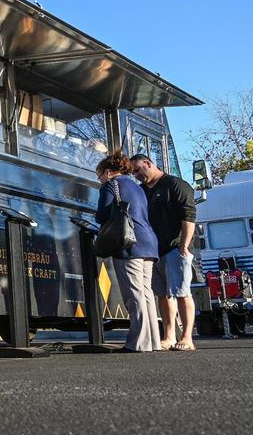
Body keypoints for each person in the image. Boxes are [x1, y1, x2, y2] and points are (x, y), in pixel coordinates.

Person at [95, 151, 162, 353]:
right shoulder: (137, 187)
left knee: (134, 294)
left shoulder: (110, 185)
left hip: (129, 244)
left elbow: (103, 214)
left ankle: (137, 343)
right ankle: (153, 342)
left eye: (98, 176)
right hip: (149, 243)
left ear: (108, 172)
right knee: (146, 293)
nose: (99, 180)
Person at [130, 154, 198, 351]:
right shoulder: (142, 191)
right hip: (153, 251)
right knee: (162, 295)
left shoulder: (175, 184)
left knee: (182, 293)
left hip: (176, 248)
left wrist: (184, 245)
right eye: (133, 172)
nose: (136, 175)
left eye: (137, 170)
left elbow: (189, 215)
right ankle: (169, 337)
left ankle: (187, 338)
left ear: (148, 163)